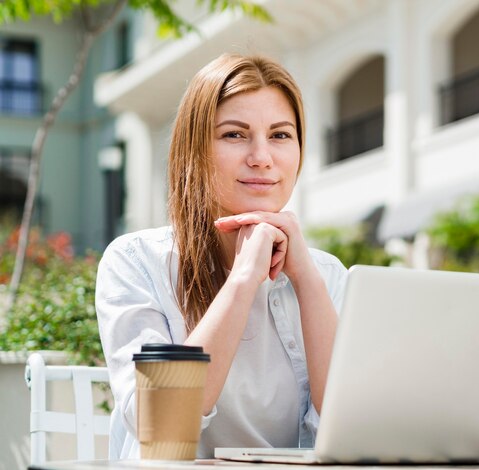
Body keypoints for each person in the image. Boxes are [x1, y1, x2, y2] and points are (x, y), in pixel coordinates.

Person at [95, 53, 348, 459]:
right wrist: (243, 280)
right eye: (234, 134)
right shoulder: (136, 261)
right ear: (194, 148)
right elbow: (160, 426)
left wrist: (307, 282)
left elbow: (351, 426)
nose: (262, 157)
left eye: (281, 135)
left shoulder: (327, 274)